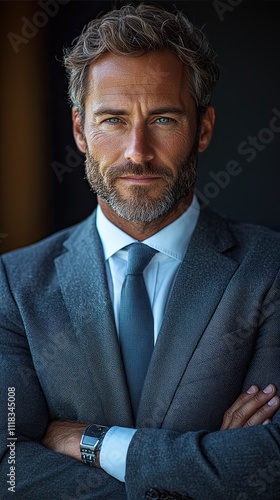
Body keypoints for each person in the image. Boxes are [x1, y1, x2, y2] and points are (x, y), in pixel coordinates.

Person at [1, 3, 280, 499]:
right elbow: (8, 466)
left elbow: (273, 461)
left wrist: (91, 441)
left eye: (164, 118)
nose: (137, 151)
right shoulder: (14, 284)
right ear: (79, 131)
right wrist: (209, 470)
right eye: (111, 119)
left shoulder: (271, 268)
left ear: (205, 128)